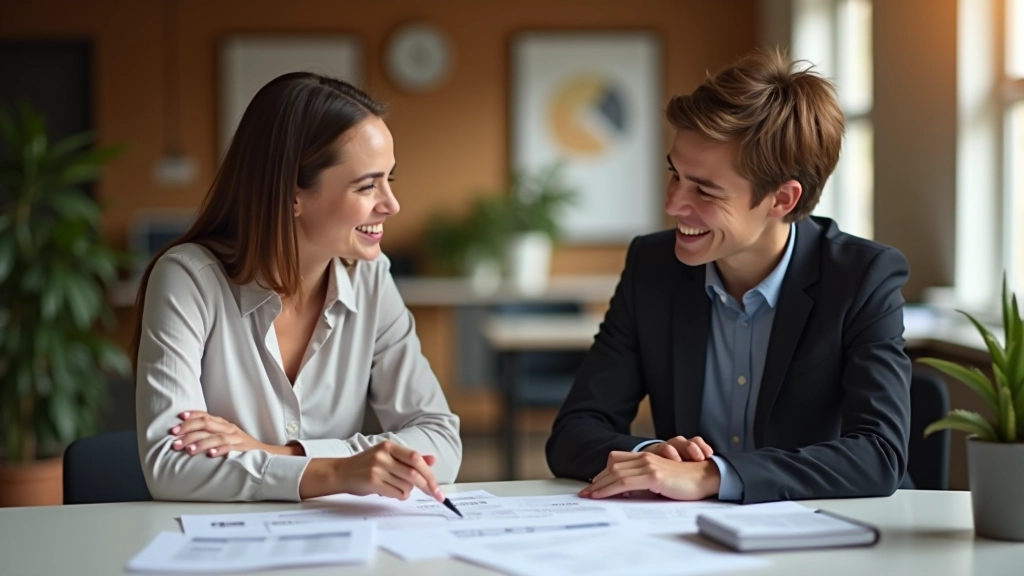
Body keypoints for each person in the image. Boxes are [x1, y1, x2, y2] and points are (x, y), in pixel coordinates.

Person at [546, 47, 911, 504]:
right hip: (693, 539)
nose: (673, 204)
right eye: (675, 175)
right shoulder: (653, 266)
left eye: (704, 189)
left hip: (829, 534)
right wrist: (649, 455)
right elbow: (573, 433)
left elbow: (878, 456)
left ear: (782, 200)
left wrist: (713, 476)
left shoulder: (862, 278)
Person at [133, 72, 462, 503]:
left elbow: (441, 440)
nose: (391, 204)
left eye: (389, 180)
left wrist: (280, 454)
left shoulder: (370, 278)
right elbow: (170, 466)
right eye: (367, 186)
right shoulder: (187, 279)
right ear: (291, 194)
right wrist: (338, 471)